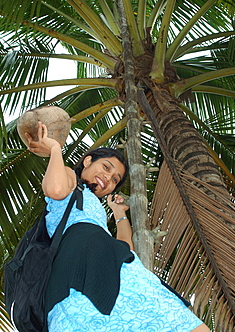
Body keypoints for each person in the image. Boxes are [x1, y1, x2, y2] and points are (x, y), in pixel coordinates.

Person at [26, 121, 211, 332]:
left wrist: (119, 213)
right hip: (79, 278)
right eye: (106, 167)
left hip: (122, 274)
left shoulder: (94, 210)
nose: (108, 178)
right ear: (87, 161)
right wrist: (55, 149)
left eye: (115, 179)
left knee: (188, 324)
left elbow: (125, 247)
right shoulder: (71, 181)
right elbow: (55, 189)